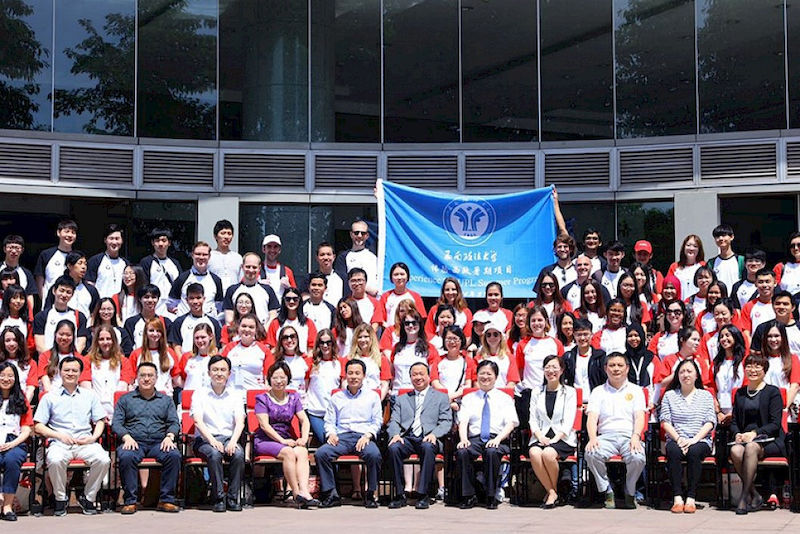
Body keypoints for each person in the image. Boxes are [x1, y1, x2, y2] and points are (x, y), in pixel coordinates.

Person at [33, 356, 111, 516]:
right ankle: (60, 498)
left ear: (80, 373)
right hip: (60, 443)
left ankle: (88, 497)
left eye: (74, 370)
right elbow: (38, 425)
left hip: (85, 442)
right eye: (66, 370)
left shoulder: (90, 396)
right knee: (54, 460)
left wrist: (93, 438)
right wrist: (58, 435)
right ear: (59, 372)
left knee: (104, 459)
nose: (70, 373)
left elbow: (100, 421)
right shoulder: (50, 397)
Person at [112, 361, 182, 514]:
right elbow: (116, 423)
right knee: (126, 456)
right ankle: (130, 501)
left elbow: (174, 423)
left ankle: (166, 500)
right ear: (137, 377)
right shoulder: (125, 400)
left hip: (159, 442)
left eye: (150, 375)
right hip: (134, 442)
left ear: (156, 378)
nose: (146, 379)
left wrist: (170, 437)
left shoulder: (166, 400)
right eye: (142, 375)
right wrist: (126, 437)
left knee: (174, 455)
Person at [316, 359, 383, 508]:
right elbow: (329, 421)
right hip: (342, 437)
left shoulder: (372, 396)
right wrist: (331, 434)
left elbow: (377, 421)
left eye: (357, 373)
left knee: (374, 455)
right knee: (322, 454)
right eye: (350, 373)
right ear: (345, 375)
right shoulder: (336, 397)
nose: (353, 377)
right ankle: (331, 494)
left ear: (364, 376)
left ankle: (371, 493)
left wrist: (368, 435)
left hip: (363, 437)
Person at [387, 361, 452, 510]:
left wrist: (435, 434)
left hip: (429, 437)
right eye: (414, 374)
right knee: (393, 448)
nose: (418, 377)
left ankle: (423, 494)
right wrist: (395, 435)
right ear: (410, 377)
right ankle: (399, 494)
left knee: (427, 447)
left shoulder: (440, 397)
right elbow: (394, 420)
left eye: (421, 374)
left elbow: (446, 421)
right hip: (408, 437)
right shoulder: (402, 399)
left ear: (428, 376)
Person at [585, 352, 646, 509]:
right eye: (612, 365)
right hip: (605, 437)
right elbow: (592, 418)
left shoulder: (636, 390)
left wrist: (636, 436)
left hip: (629, 436)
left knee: (638, 457)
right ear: (605, 368)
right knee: (591, 453)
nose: (616, 369)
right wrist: (593, 438)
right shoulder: (598, 391)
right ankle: (607, 490)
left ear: (627, 368)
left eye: (620, 365)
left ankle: (630, 491)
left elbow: (639, 417)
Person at [253, 361, 318, 508]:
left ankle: (304, 491)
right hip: (266, 439)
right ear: (269, 379)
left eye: (282, 377)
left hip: (287, 438)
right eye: (275, 377)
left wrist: (303, 438)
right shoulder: (262, 398)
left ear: (288, 379)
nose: (279, 381)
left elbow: (304, 420)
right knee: (289, 452)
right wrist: (283, 441)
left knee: (301, 451)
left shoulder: (294, 397)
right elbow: (265, 425)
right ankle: (296, 494)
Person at [456, 360, 519, 510]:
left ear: (496, 377)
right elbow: (463, 421)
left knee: (491, 452)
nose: (485, 377)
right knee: (462, 451)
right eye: (482, 373)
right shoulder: (469, 398)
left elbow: (511, 423)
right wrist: (463, 439)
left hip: (497, 437)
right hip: (475, 438)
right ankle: (468, 495)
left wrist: (497, 439)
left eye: (489, 374)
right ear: (477, 376)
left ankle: (490, 496)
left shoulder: (504, 398)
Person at [729, 353, 786, 515]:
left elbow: (775, 424)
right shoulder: (740, 394)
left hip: (770, 440)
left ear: (765, 370)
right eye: (749, 366)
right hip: (745, 439)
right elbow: (734, 422)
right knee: (735, 450)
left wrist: (754, 433)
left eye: (757, 366)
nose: (752, 370)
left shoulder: (772, 392)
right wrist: (738, 434)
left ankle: (744, 497)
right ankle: (755, 495)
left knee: (751, 448)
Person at [659, 359, 716, 514]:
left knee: (694, 452)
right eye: (682, 371)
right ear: (677, 375)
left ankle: (691, 497)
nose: (686, 375)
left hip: (700, 439)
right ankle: (677, 497)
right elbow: (665, 422)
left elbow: (710, 422)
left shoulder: (705, 396)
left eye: (689, 371)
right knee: (674, 452)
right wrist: (679, 439)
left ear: (696, 375)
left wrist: (694, 440)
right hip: (677, 438)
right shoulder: (669, 395)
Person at [190, 355, 246, 512]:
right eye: (215, 370)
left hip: (229, 438)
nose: (219, 373)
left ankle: (233, 498)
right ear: (209, 373)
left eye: (223, 370)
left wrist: (234, 441)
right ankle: (218, 498)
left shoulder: (236, 394)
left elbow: (240, 422)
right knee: (214, 454)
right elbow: (197, 421)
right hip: (205, 440)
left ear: (229, 373)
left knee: (238, 454)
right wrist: (212, 440)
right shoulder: (200, 393)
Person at [527, 355, 577, 508]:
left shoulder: (569, 392)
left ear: (561, 370)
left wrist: (556, 438)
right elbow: (532, 419)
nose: (551, 371)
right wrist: (539, 436)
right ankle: (553, 491)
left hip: (562, 437)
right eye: (547, 367)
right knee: (535, 453)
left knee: (548, 453)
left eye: (555, 367)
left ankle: (552, 492)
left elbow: (569, 420)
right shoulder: (536, 391)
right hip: (541, 435)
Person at [515, 306, 565, 425]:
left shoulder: (555, 343)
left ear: (546, 321)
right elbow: (520, 369)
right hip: (530, 393)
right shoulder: (523, 344)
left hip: (551, 391)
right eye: (533, 320)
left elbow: (562, 369)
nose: (536, 323)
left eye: (540, 320)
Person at [0, 361, 33, 521]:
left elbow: (26, 429)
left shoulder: (22, 399)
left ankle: (7, 506)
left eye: (10, 376)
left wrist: (13, 444)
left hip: (14, 440)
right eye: (3, 375)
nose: (6, 379)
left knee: (12, 460)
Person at [86, 324, 133, 418]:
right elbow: (87, 389)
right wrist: (99, 413)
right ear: (96, 341)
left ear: (114, 340)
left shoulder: (124, 361)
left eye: (108, 338)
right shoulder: (87, 360)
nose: (105, 342)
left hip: (117, 411)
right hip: (95, 411)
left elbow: (122, 389)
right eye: (101, 339)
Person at [33, 275, 89, 354]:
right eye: (61, 290)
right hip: (49, 362)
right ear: (54, 291)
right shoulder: (41, 316)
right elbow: (40, 345)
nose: (64, 295)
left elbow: (81, 343)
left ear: (72, 295)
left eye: (68, 292)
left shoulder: (79, 317)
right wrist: (52, 360)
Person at [168, 241, 224, 319]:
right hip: (186, 324)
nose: (201, 257)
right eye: (198, 254)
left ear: (209, 256)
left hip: (207, 326)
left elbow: (219, 306)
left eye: (204, 254)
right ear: (192, 255)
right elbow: (171, 304)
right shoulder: (182, 278)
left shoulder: (216, 280)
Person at [223, 252, 279, 328]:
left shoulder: (268, 290)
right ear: (242, 267)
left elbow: (273, 315)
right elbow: (229, 318)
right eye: (248, 267)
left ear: (259, 268)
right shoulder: (232, 290)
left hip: (262, 335)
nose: (251, 270)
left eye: (254, 267)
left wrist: (264, 330)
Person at [390, 309, 439, 396]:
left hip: (420, 395)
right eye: (407, 323)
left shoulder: (429, 348)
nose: (411, 325)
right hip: (397, 395)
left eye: (414, 322)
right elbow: (392, 374)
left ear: (420, 325)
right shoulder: (397, 348)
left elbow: (433, 376)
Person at [757, 320, 800, 417]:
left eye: (776, 336)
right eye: (770, 336)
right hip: (763, 410)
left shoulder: (792, 358)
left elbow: (795, 386)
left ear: (783, 337)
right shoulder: (760, 359)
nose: (773, 339)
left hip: (785, 410)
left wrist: (782, 408)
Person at [305, 329, 341, 444]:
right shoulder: (311, 362)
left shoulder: (339, 362)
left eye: (328, 342)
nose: (325, 346)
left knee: (337, 442)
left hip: (334, 413)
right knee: (326, 440)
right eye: (322, 343)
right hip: (316, 411)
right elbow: (305, 386)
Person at [130, 317, 181, 396]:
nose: (155, 334)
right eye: (151, 330)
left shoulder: (170, 353)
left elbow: (177, 379)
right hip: (141, 398)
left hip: (165, 396)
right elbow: (131, 380)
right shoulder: (136, 354)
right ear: (145, 332)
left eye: (158, 331)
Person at [38, 320, 91, 393]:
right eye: (61, 334)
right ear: (55, 334)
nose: (64, 337)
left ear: (73, 337)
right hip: (51, 397)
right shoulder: (45, 356)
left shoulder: (80, 359)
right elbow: (45, 382)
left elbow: (84, 384)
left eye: (68, 335)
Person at [139, 228, 182, 318]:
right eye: (157, 241)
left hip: (172, 308)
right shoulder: (146, 262)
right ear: (153, 243)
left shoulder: (175, 263)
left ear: (169, 243)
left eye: (164, 240)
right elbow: (143, 286)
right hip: (154, 307)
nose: (160, 244)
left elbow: (180, 285)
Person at [220, 313, 270, 392]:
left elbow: (268, 376)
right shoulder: (229, 348)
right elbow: (221, 370)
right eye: (244, 326)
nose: (247, 329)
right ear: (238, 328)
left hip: (255, 395)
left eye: (251, 327)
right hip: (232, 395)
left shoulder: (264, 350)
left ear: (256, 330)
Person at [169, 283, 222, 355]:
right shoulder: (179, 322)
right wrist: (183, 364)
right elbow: (177, 347)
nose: (195, 302)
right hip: (187, 363)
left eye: (198, 298)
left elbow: (216, 347)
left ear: (204, 299)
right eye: (191, 298)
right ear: (186, 300)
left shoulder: (213, 322)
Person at [562, 318, 607, 403]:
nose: (582, 338)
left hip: (595, 403)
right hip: (573, 404)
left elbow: (604, 381)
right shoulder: (568, 357)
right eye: (579, 335)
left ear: (591, 335)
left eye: (586, 334)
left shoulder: (600, 357)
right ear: (574, 335)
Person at [44, 250, 98, 320]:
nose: (83, 267)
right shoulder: (58, 288)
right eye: (80, 263)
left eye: (85, 264)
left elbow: (95, 312)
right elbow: (47, 310)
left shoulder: (91, 290)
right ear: (69, 265)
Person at [345, 323, 391, 401]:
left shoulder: (381, 359)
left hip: (374, 399)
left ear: (371, 338)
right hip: (354, 399)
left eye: (366, 337)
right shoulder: (349, 359)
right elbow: (345, 382)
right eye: (359, 337)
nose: (363, 340)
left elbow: (385, 384)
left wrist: (378, 401)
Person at [376, 262, 427, 330]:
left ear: (407, 276)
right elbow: (380, 318)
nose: (399, 277)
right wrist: (390, 330)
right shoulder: (385, 296)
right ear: (391, 278)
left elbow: (421, 318)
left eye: (402, 274)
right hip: (390, 334)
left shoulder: (415, 296)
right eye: (396, 274)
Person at [34, 219, 77, 300]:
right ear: (58, 233)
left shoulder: (78, 257)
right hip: (50, 303)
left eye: (73, 232)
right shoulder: (46, 254)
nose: (70, 235)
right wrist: (43, 299)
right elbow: (40, 279)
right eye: (67, 231)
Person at [334, 220, 379, 297]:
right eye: (356, 233)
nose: (359, 236)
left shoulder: (375, 256)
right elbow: (344, 281)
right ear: (351, 234)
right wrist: (368, 289)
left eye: (363, 233)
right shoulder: (343, 257)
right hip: (352, 301)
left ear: (367, 235)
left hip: (373, 301)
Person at [712, 324, 747, 423]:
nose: (724, 339)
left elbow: (747, 385)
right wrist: (718, 411)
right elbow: (711, 385)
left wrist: (734, 412)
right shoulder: (716, 362)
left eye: (728, 335)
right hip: (720, 413)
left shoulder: (744, 361)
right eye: (721, 336)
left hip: (740, 411)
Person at [432, 325, 474, 406]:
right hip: (441, 403)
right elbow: (435, 382)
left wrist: (451, 396)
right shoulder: (438, 360)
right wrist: (446, 397)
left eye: (455, 339)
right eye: (448, 339)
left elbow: (468, 385)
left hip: (462, 403)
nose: (452, 342)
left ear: (461, 340)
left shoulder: (468, 361)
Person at [123, 284, 174, 351]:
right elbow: (128, 348)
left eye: (153, 297)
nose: (150, 300)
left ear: (158, 299)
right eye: (146, 297)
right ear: (139, 299)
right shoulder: (131, 323)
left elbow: (169, 347)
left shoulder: (166, 322)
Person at [265, 287, 317, 352]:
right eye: (288, 299)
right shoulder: (275, 323)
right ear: (283, 301)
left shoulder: (308, 323)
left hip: (302, 360)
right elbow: (273, 348)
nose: (291, 301)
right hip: (281, 360)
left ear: (300, 301)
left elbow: (311, 349)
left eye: (295, 299)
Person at [86, 224, 129, 299]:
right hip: (100, 306)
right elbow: (89, 285)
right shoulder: (95, 260)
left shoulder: (125, 263)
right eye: (111, 238)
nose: (114, 242)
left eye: (117, 238)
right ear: (105, 240)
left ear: (122, 241)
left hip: (119, 306)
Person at [271, 325, 312, 395]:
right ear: (281, 341)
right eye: (285, 338)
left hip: (301, 400)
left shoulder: (305, 359)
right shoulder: (275, 360)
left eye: (292, 336)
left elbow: (307, 385)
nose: (289, 340)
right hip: (282, 401)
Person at [178, 323, 218, 391]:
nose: (200, 341)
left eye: (203, 337)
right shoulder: (187, 357)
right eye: (197, 338)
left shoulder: (218, 359)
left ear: (211, 336)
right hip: (190, 397)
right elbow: (181, 378)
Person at [0, 326, 36, 402]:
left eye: (15, 340)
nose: (11, 344)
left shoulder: (30, 363)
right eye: (7, 340)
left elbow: (31, 388)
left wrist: (23, 406)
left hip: (19, 403)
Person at [0, 235, 36, 311]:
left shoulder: (26, 273)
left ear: (22, 250)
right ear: (4, 249)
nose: (13, 251)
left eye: (17, 248)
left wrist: (29, 315)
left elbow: (29, 296)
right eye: (10, 247)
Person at [207, 219, 243, 294]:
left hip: (233, 296)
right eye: (223, 233)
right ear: (215, 236)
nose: (226, 237)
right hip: (214, 296)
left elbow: (241, 279)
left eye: (229, 233)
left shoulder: (238, 257)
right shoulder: (209, 256)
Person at [740, 268, 777, 336]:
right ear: (755, 284)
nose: (764, 285)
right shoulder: (748, 306)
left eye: (767, 281)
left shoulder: (781, 305)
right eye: (760, 282)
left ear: (775, 283)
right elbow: (746, 333)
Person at [667, 234, 705, 300]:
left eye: (695, 246)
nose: (691, 248)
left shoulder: (703, 266)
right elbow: (668, 286)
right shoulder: (674, 267)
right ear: (683, 247)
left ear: (699, 249)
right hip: (678, 305)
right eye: (688, 245)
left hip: (698, 304)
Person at [707, 224, 744, 291]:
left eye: (724, 235)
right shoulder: (711, 262)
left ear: (732, 237)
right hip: (718, 299)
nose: (721, 238)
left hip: (736, 299)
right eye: (717, 236)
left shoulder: (741, 260)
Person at [259, 234, 297, 300]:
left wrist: (289, 287)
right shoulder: (255, 270)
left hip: (281, 309)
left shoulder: (287, 271)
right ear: (263, 249)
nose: (272, 250)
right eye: (269, 246)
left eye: (275, 247)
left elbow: (296, 296)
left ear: (279, 250)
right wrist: (257, 284)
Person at [0, 285, 33, 353]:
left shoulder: (28, 322)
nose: (18, 301)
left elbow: (31, 344)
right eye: (14, 298)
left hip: (21, 359)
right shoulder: (1, 319)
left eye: (21, 298)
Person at [774, 232, 800, 297]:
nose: (796, 248)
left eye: (799, 245)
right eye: (792, 246)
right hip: (786, 305)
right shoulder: (780, 267)